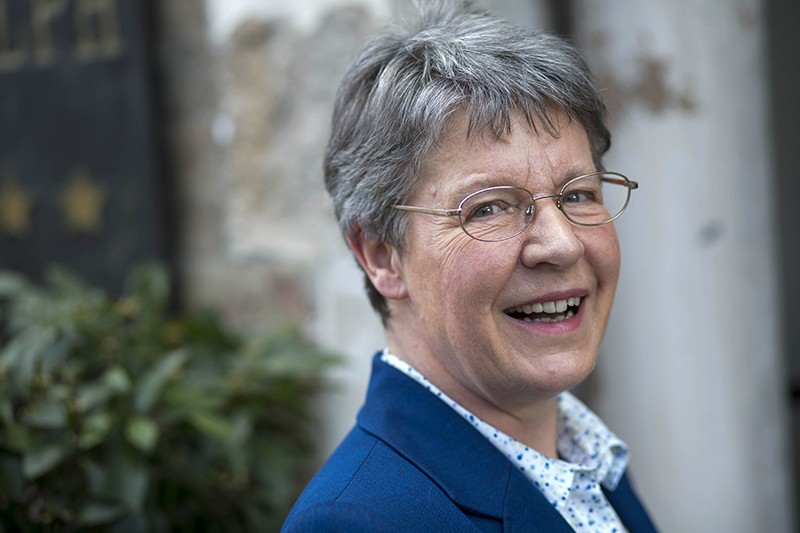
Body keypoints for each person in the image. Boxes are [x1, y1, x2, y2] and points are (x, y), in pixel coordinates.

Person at [283, 0, 657, 531]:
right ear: (382, 256)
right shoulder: (356, 522)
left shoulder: (590, 462)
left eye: (577, 194)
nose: (562, 245)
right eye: (489, 207)